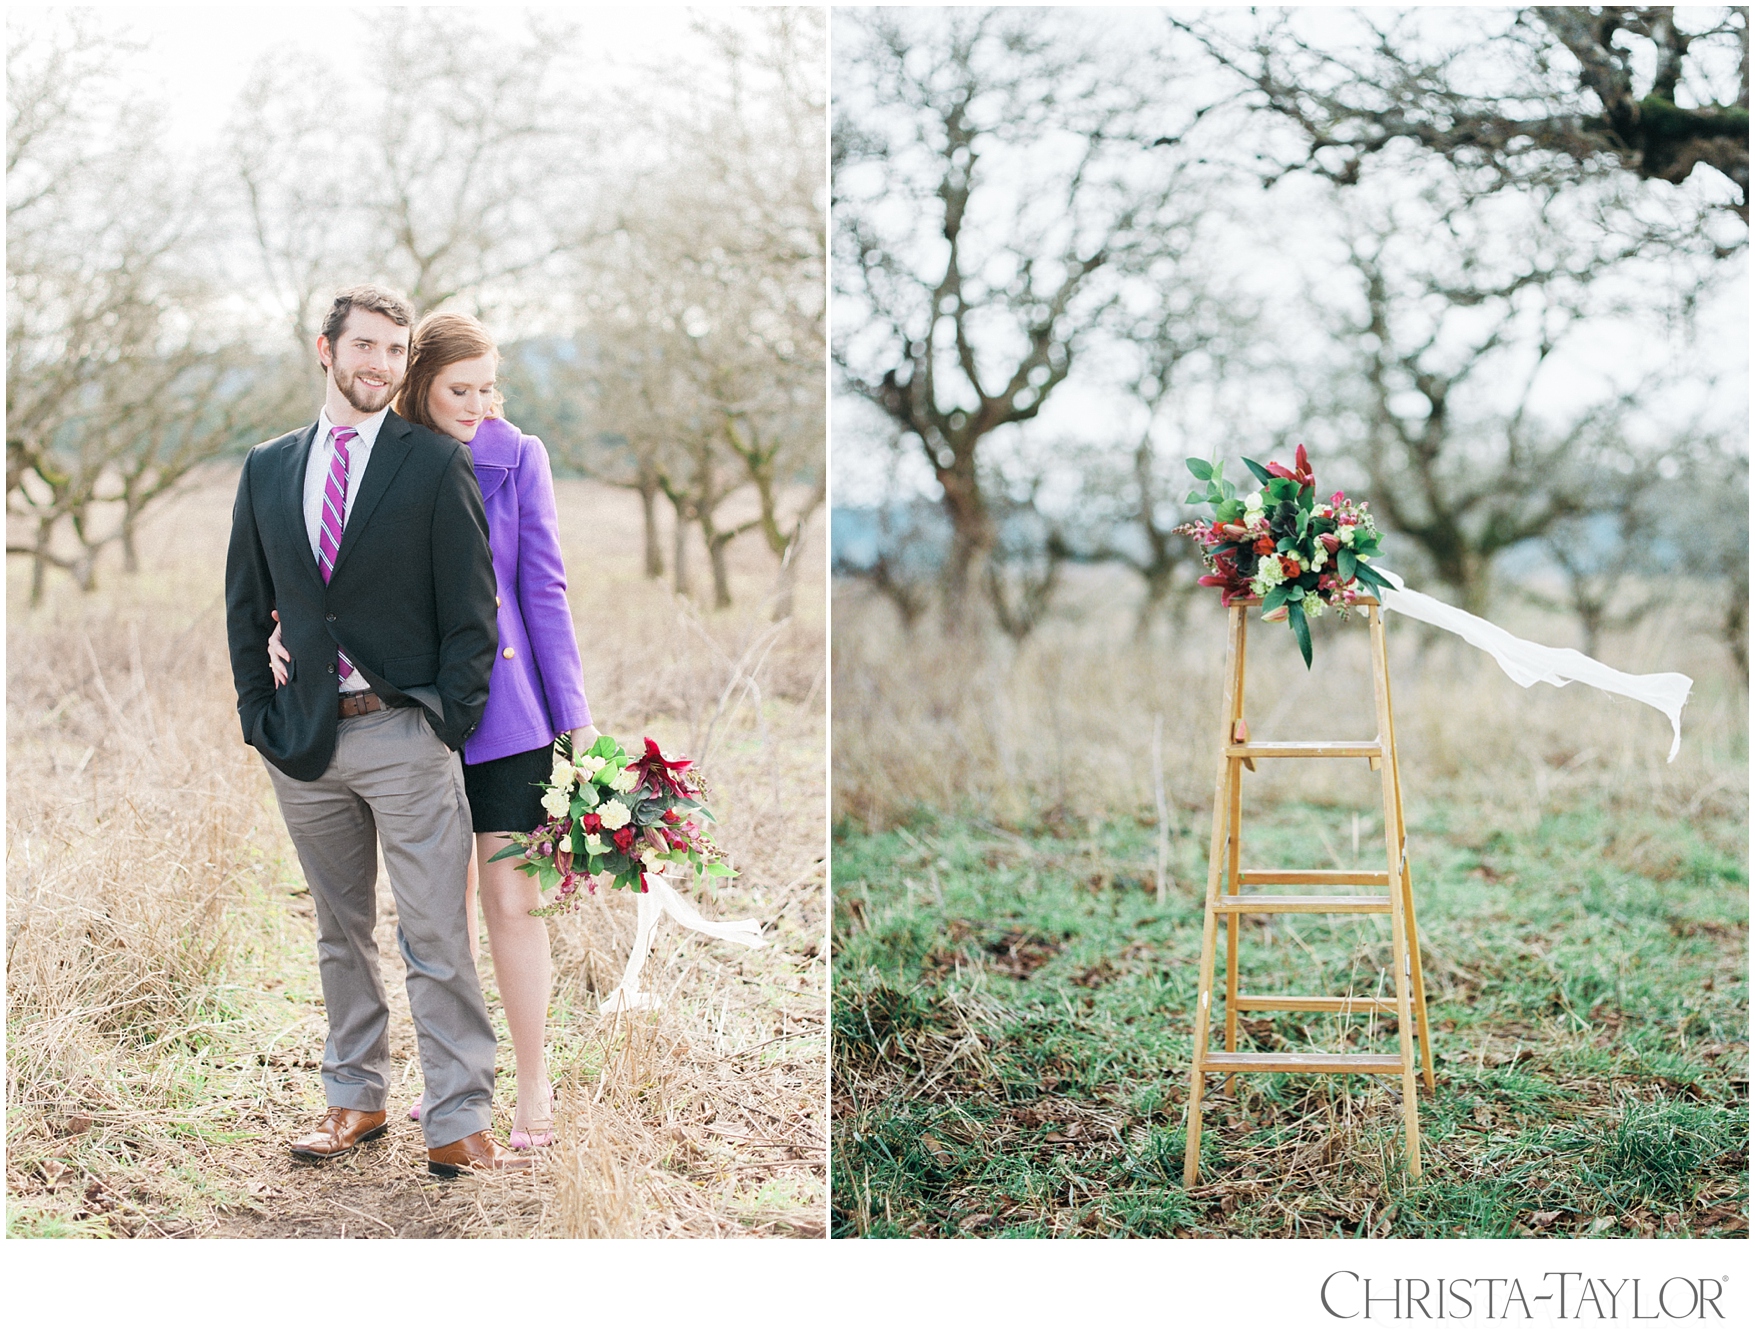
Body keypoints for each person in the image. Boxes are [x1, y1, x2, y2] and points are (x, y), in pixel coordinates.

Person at [226, 284, 532, 1178]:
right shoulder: (268, 466)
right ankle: (354, 1100)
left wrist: (443, 721)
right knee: (339, 930)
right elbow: (248, 605)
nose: (379, 366)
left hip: (405, 734)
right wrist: (259, 713)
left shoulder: (431, 464)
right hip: (305, 743)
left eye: (395, 353)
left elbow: (474, 617)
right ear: (325, 350)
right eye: (364, 347)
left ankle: (458, 1115)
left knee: (436, 933)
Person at [269, 311, 592, 1149]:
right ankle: (453, 1087)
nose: (480, 404)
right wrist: (283, 628)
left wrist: (577, 719)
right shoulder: (387, 457)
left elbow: (544, 590)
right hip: (412, 714)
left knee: (510, 902)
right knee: (433, 916)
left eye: (490, 388)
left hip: (505, 718)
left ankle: (531, 1086)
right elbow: (326, 567)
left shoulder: (516, 457)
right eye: (461, 389)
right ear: (420, 383)